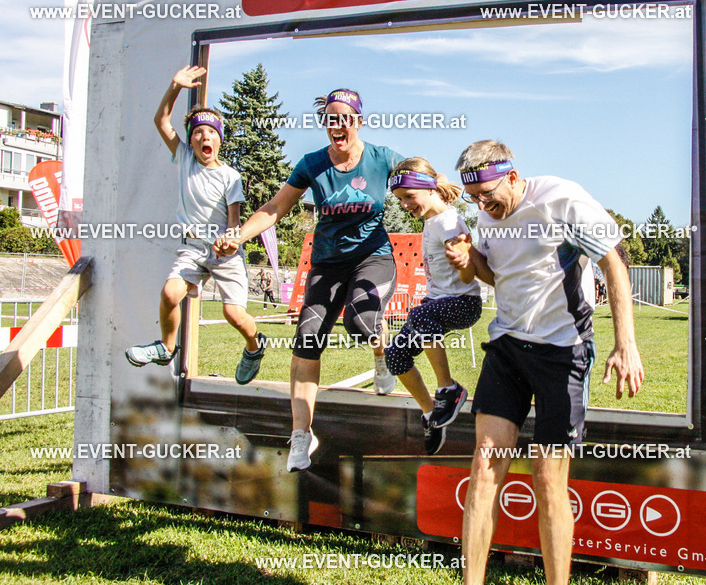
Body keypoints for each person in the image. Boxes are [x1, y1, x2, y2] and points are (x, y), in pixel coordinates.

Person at [446, 140, 644, 585]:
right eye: (474, 198)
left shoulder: (560, 199)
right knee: (484, 465)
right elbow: (499, 276)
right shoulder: (486, 212)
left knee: (548, 479)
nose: (482, 206)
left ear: (513, 177)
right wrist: (470, 258)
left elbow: (613, 261)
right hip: (509, 347)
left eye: (489, 196)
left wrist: (624, 342)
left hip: (564, 350)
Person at [215, 87, 403, 472]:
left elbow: (418, 177)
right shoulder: (312, 163)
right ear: (325, 125)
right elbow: (275, 207)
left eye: (345, 118)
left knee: (363, 320)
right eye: (331, 118)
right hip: (328, 264)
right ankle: (302, 434)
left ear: (358, 122)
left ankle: (383, 356)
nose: (338, 125)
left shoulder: (382, 158)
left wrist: (448, 191)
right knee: (307, 339)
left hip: (373, 257)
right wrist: (239, 235)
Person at [125, 65, 267, 386]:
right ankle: (166, 347)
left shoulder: (231, 176)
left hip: (225, 252)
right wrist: (175, 86)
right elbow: (161, 121)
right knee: (169, 292)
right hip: (192, 248)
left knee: (234, 315)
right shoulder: (185, 159)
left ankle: (254, 346)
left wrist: (230, 240)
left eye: (211, 132)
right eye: (198, 132)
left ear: (219, 140)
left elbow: (234, 221)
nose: (205, 136)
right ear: (190, 141)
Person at [383, 157, 482, 455]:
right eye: (399, 200)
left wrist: (464, 261)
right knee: (395, 356)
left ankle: (448, 389)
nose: (404, 205)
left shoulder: (450, 223)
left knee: (420, 314)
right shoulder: (431, 220)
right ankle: (432, 416)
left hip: (464, 303)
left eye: (409, 197)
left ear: (428, 189)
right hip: (437, 303)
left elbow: (468, 277)